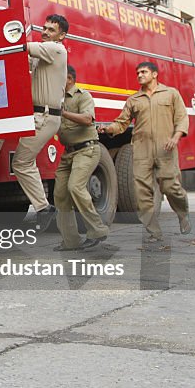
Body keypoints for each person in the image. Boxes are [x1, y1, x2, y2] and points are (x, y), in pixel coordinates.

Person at [0, 14, 69, 231]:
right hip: (33, 113)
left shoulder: (56, 50)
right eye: (44, 28)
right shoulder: (45, 52)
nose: (45, 32)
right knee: (1, 122)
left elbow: (22, 47)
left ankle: (44, 209)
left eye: (51, 30)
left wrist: (4, 35)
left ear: (62, 36)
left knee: (22, 163)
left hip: (45, 116)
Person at [99, 61, 191, 247]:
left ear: (155, 74)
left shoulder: (170, 94)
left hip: (166, 148)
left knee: (170, 187)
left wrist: (175, 137)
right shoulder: (134, 100)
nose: (140, 75)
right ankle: (154, 232)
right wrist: (109, 128)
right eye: (138, 73)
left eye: (144, 72)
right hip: (141, 150)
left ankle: (183, 214)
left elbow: (182, 118)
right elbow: (122, 123)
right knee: (141, 193)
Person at [53, 66, 111, 251]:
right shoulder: (56, 100)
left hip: (87, 150)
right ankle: (71, 241)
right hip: (68, 153)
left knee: (75, 187)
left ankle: (97, 230)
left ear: (69, 78)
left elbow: (88, 119)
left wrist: (63, 114)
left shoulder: (82, 96)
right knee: (60, 195)